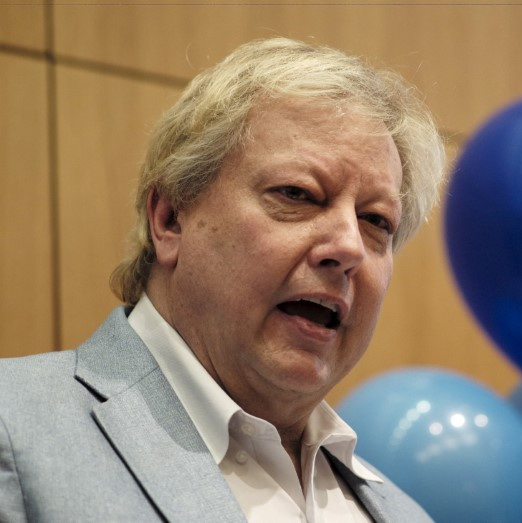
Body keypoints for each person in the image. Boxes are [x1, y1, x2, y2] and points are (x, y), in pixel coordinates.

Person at [0, 37, 446, 522]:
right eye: (298, 194)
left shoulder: (406, 515)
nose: (348, 248)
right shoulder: (14, 427)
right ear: (170, 218)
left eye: (376, 221)